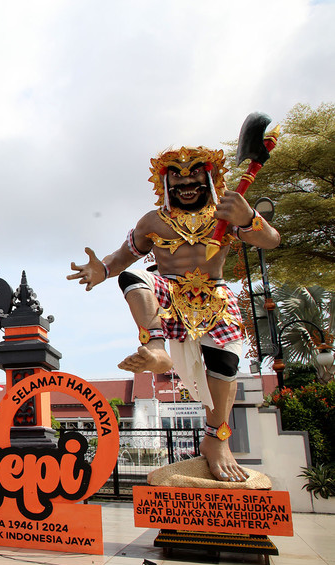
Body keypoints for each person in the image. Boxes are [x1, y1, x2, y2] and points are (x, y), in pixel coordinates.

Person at [68, 146, 280, 483]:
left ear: (210, 175)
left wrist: (250, 219)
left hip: (214, 293)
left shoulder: (226, 209)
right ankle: (156, 347)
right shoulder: (153, 222)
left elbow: (271, 240)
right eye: (177, 176)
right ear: (164, 182)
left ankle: (217, 441)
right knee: (134, 278)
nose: (186, 181)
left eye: (195, 172)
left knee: (225, 366)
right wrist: (103, 269)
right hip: (169, 291)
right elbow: (124, 258)